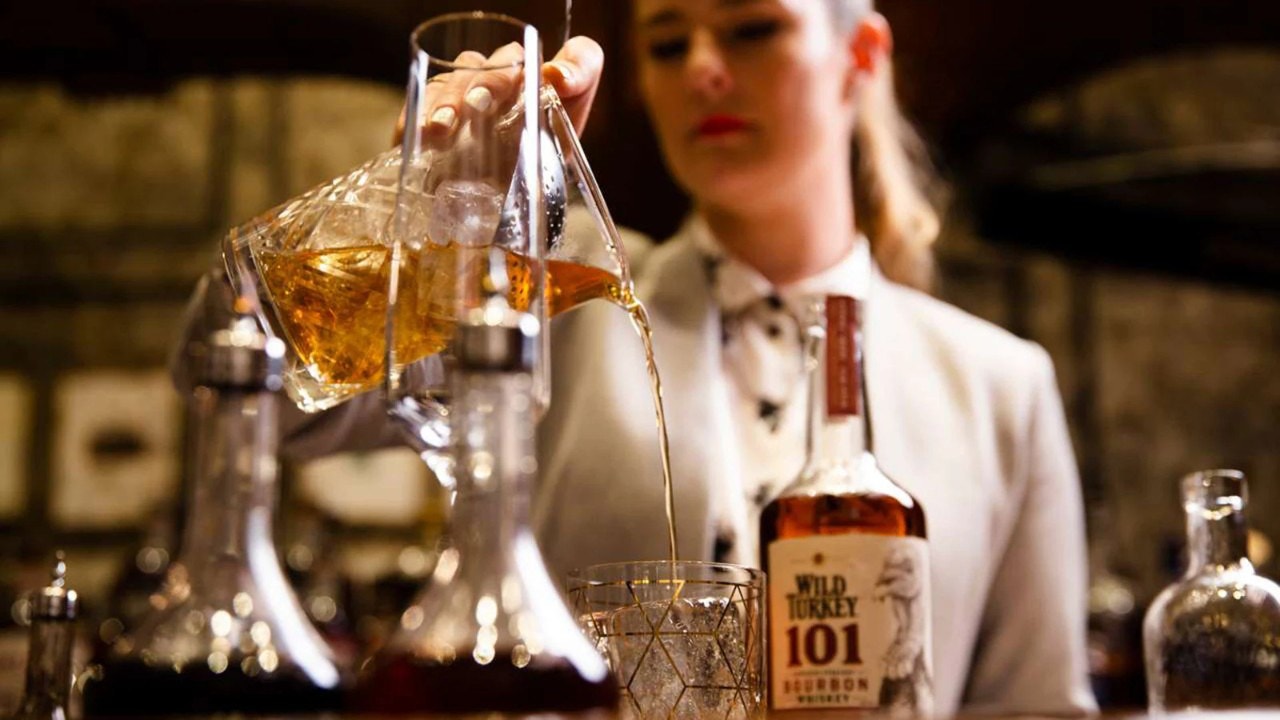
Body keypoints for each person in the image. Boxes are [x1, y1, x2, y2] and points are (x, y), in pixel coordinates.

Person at [177, 0, 1096, 715]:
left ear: (860, 58)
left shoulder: (1001, 385)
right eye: (666, 43)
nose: (703, 67)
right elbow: (232, 368)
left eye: (751, 29)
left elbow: (1037, 707)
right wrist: (418, 213)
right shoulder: (551, 294)